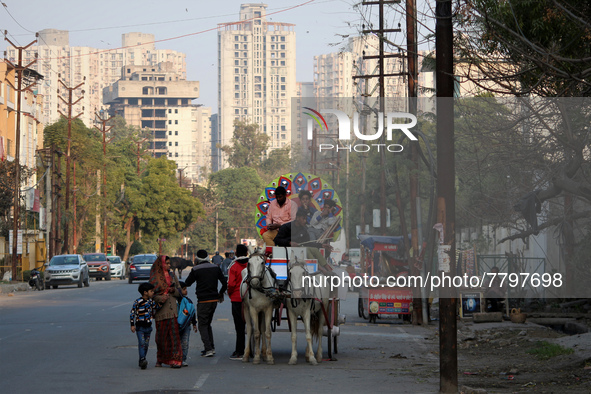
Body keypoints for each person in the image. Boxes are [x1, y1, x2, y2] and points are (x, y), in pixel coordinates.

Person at [184, 249, 228, 357]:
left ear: (197, 259)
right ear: (208, 257)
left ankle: (208, 349)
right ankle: (210, 347)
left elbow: (187, 283)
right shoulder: (215, 268)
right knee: (207, 324)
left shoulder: (196, 269)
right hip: (214, 300)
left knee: (202, 325)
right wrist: (220, 293)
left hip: (203, 301)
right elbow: (224, 283)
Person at [149, 255, 183, 368]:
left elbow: (180, 291)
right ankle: (160, 359)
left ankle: (175, 360)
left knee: (174, 337)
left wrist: (174, 291)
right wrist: (160, 298)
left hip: (173, 311)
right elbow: (151, 295)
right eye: (166, 263)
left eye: (169, 263)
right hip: (161, 313)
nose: (169, 265)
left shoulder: (172, 275)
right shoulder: (154, 278)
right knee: (161, 338)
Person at [227, 244, 249, 360]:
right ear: (246, 253)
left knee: (239, 327)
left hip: (237, 298)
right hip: (251, 299)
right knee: (252, 325)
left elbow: (230, 284)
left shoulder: (234, 266)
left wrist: (230, 294)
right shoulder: (252, 264)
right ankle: (250, 350)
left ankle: (240, 351)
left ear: (236, 253)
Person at [130, 282, 157, 370]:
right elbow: (132, 313)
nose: (153, 292)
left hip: (148, 327)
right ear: (145, 292)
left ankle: (142, 359)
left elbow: (156, 308)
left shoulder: (151, 301)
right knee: (142, 343)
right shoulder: (138, 302)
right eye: (151, 291)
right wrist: (132, 325)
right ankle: (142, 359)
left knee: (146, 344)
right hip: (140, 327)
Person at [178, 281, 198, 367]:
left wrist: (194, 324)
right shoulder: (174, 301)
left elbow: (192, 313)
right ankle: (176, 358)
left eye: (186, 289)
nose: (186, 291)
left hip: (186, 326)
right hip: (175, 326)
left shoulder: (188, 301)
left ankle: (183, 359)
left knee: (185, 342)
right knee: (176, 342)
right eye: (184, 289)